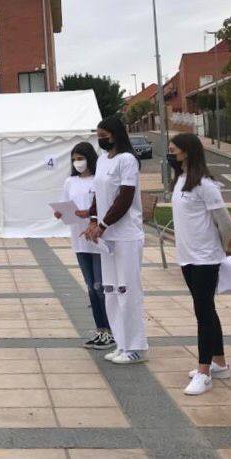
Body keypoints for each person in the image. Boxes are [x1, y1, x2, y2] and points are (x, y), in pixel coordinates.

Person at [168, 133, 231, 395]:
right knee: (207, 310)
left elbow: (225, 222)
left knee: (203, 313)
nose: (170, 154)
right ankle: (220, 363)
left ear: (188, 152)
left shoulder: (206, 185)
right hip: (187, 256)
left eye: (174, 151)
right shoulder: (181, 180)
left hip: (205, 258)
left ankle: (204, 371)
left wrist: (221, 249)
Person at [84, 116, 148, 364]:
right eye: (98, 134)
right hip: (106, 237)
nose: (100, 139)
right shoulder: (101, 160)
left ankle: (136, 347)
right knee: (110, 290)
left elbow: (125, 197)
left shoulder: (128, 160)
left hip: (126, 236)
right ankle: (121, 344)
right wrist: (92, 220)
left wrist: (103, 224)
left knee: (127, 290)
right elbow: (98, 195)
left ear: (115, 134)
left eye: (104, 135)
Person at [55, 142, 115, 350]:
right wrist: (61, 212)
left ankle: (112, 330)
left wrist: (89, 214)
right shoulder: (70, 181)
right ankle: (101, 330)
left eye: (80, 158)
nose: (77, 162)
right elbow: (66, 205)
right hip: (79, 241)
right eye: (74, 159)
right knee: (91, 288)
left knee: (101, 286)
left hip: (96, 239)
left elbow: (103, 206)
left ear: (90, 158)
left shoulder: (98, 180)